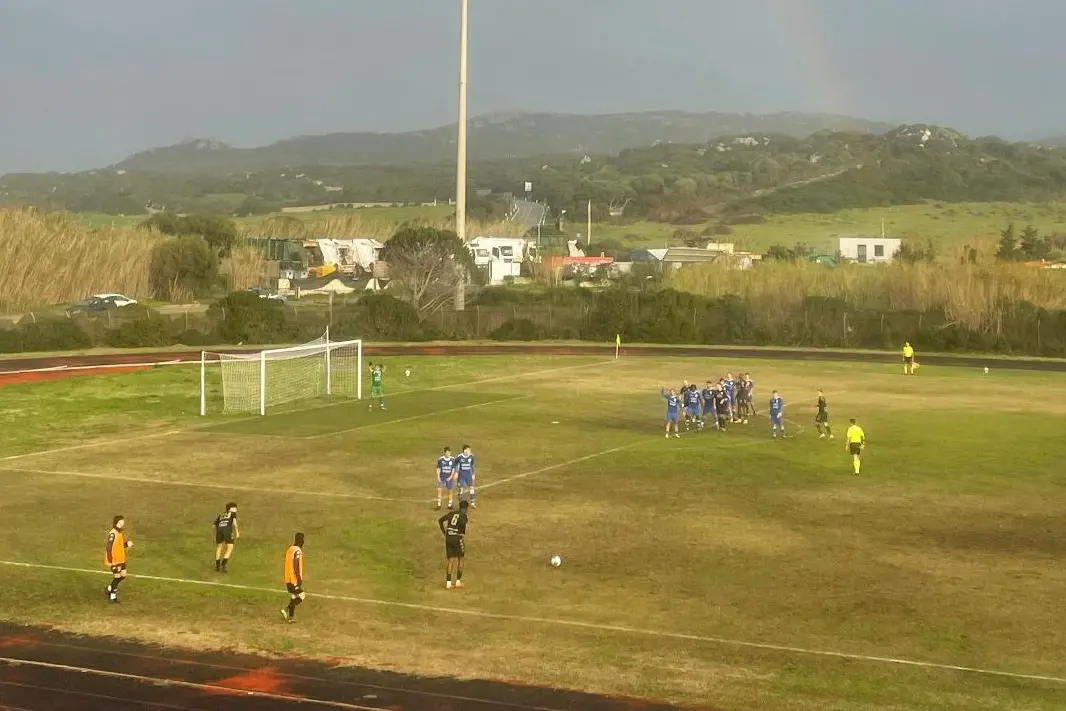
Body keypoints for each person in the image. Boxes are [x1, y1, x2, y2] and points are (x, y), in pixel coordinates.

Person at [438, 500, 469, 589]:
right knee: (461, 558)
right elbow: (463, 525)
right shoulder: (463, 516)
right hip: (457, 538)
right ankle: (458, 581)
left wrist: (445, 532)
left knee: (450, 560)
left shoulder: (451, 513)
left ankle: (448, 583)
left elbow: (440, 520)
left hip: (448, 538)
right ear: (465, 508)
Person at [104, 515, 133, 604]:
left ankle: (109, 588)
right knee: (117, 577)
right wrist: (111, 561)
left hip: (121, 559)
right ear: (117, 522)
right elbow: (109, 547)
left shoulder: (119, 532)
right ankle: (112, 596)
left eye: (123, 522)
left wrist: (126, 544)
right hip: (115, 560)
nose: (122, 523)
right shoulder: (113, 533)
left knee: (123, 575)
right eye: (121, 522)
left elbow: (119, 546)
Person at [281, 532, 306, 623]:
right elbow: (295, 565)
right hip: (293, 579)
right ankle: (286, 609)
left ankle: (291, 618)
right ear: (301, 541)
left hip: (287, 578)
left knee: (294, 596)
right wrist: (298, 578)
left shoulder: (290, 549)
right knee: (302, 596)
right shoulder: (298, 551)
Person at [213, 502, 239, 573]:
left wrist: (218, 531)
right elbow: (234, 523)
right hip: (227, 531)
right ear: (230, 509)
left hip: (219, 530)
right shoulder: (233, 514)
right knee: (230, 547)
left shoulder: (221, 515)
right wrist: (237, 532)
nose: (236, 509)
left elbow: (214, 525)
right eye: (234, 508)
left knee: (218, 548)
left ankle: (217, 566)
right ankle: (223, 565)